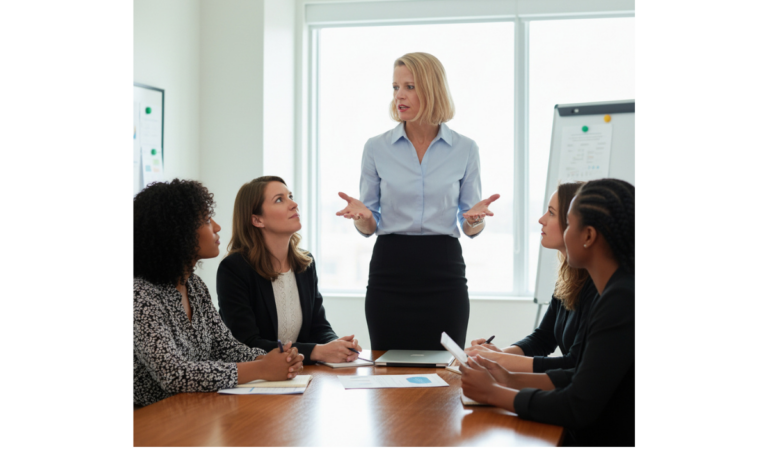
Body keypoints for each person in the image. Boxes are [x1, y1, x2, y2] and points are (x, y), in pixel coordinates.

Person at [336, 51, 499, 350]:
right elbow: (369, 225)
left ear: (432, 89)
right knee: (387, 370)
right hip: (390, 268)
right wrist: (362, 216)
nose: (400, 96)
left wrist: (475, 220)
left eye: (409, 87)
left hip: (444, 269)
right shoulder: (375, 148)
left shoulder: (465, 148)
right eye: (396, 87)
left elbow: (469, 225)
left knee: (444, 371)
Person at [461, 178, 635, 446]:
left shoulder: (620, 298)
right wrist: (507, 377)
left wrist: (494, 393)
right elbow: (580, 375)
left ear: (587, 236)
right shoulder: (615, 290)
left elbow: (577, 403)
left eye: (565, 220)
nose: (542, 221)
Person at [134, 179, 303, 408]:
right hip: (149, 422)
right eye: (205, 220)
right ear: (176, 233)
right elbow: (174, 374)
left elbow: (225, 346)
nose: (217, 227)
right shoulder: (140, 296)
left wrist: (270, 358)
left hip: (192, 411)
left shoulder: (194, 285)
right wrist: (261, 368)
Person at [217, 176, 361, 364]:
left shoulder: (305, 263)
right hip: (255, 380)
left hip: (298, 375)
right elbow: (246, 344)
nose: (294, 204)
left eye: (290, 196)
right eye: (279, 199)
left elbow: (318, 326)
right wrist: (316, 352)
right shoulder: (234, 269)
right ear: (257, 220)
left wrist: (337, 345)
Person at [465, 181, 598, 382]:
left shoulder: (598, 285)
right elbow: (542, 339)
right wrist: (499, 355)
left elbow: (574, 363)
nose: (541, 220)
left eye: (551, 213)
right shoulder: (568, 277)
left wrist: (498, 360)